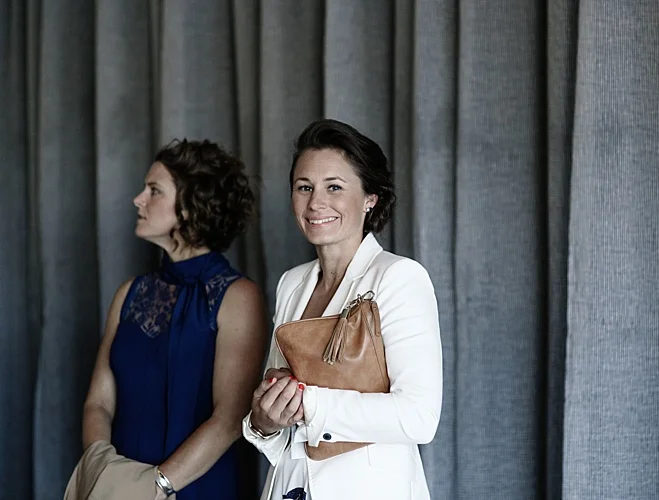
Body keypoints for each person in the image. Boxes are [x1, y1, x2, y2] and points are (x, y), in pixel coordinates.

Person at [242, 119, 443, 500]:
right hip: (289, 486)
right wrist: (263, 422)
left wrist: (308, 402)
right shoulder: (291, 284)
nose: (316, 203)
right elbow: (278, 409)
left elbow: (419, 417)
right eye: (304, 187)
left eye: (334, 187)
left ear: (370, 198)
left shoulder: (399, 277)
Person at [79, 139, 267, 499]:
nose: (138, 200)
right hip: (118, 489)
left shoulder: (238, 296)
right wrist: (104, 472)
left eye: (154, 190)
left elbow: (230, 417)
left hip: (198, 487)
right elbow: (98, 402)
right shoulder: (129, 292)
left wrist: (155, 487)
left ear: (192, 205)